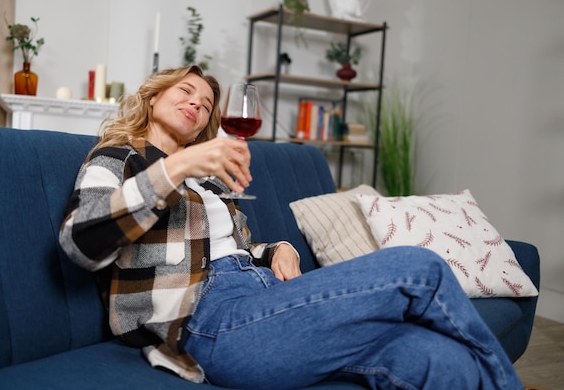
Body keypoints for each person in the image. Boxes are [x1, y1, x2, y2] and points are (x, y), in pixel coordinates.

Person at [59, 65, 524, 390]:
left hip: (266, 301)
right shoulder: (117, 160)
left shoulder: (205, 178)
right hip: (209, 325)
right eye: (186, 92)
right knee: (418, 268)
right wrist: (175, 167)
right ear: (154, 94)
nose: (197, 106)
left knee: (435, 358)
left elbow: (229, 247)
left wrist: (278, 248)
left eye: (205, 105)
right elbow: (80, 242)